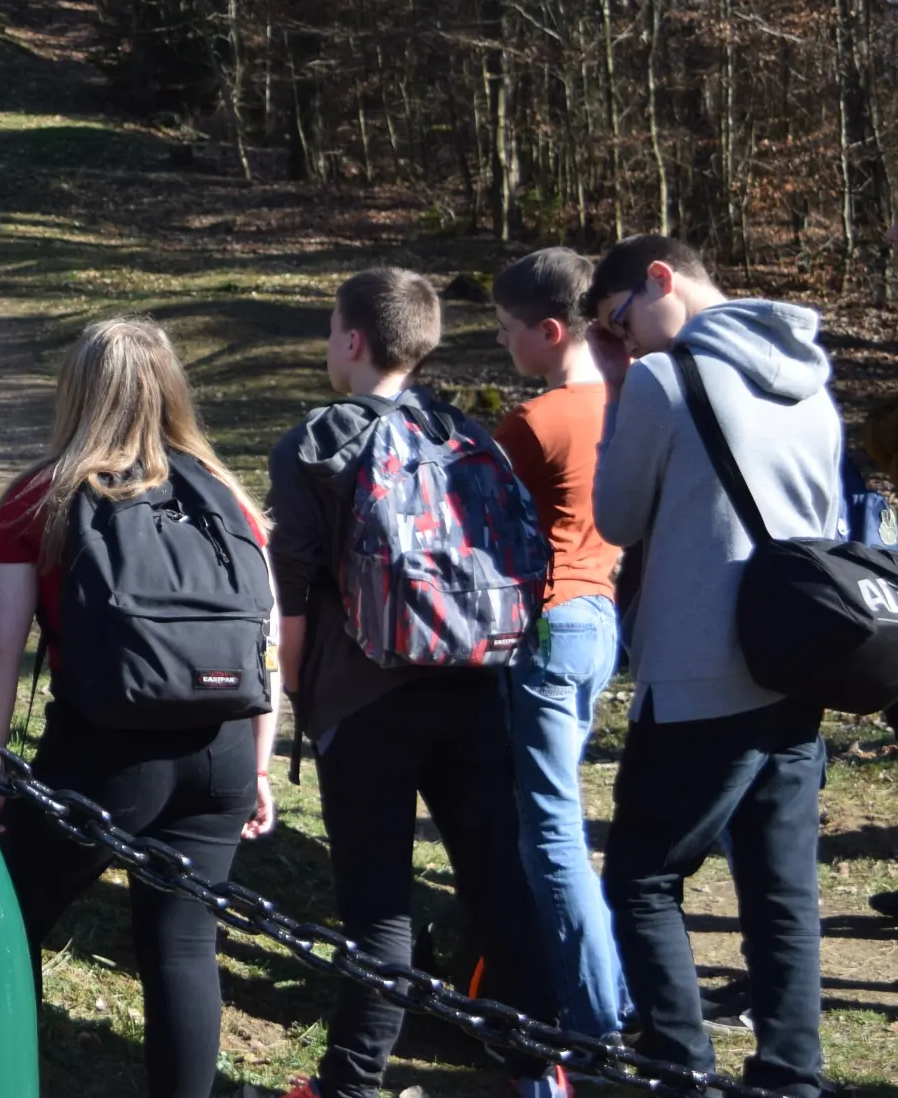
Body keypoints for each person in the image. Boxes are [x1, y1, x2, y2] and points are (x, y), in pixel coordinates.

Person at [268, 268, 561, 1098]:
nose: (331, 346)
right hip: (475, 687)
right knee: (497, 884)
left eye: (332, 332)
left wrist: (298, 689)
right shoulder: (469, 433)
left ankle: (350, 1084)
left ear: (354, 340)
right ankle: (539, 1070)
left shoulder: (315, 442)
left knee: (378, 904)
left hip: (365, 703)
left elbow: (291, 586)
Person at [0, 317, 276, 1098]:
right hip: (222, 749)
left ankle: (5, 1078)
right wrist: (260, 762)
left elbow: (2, 649)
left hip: (103, 755)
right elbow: (260, 641)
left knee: (12, 915)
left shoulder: (40, 497)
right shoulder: (227, 498)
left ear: (76, 389)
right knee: (182, 944)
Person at [587, 235, 837, 1098]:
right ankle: (789, 1076)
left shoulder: (663, 379)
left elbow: (616, 518)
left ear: (662, 279)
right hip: (799, 663)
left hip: (701, 669)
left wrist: (621, 389)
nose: (623, 345)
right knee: (781, 889)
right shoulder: (811, 375)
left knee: (642, 877)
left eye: (618, 324)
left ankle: (679, 1066)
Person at [489, 248, 630, 1040]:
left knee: (548, 822)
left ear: (548, 329)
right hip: (600, 618)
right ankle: (600, 981)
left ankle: (592, 1010)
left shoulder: (536, 421)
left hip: (547, 621)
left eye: (510, 330)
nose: (504, 343)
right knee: (559, 809)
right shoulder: (627, 401)